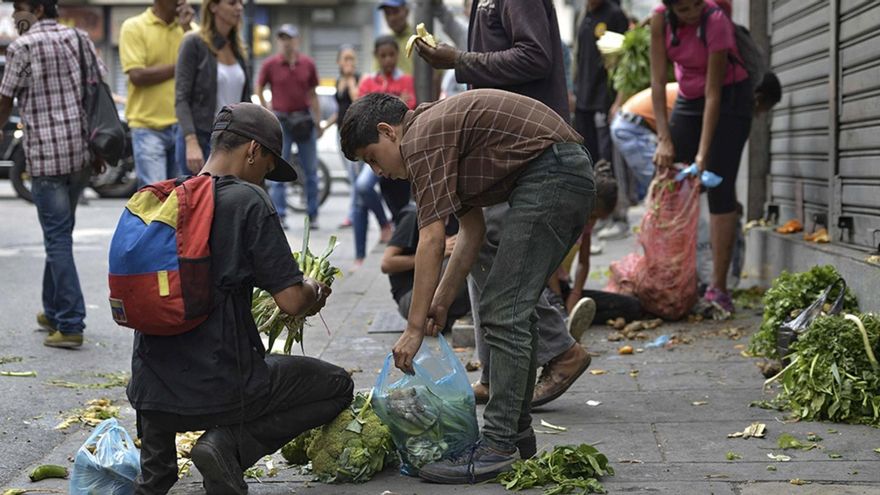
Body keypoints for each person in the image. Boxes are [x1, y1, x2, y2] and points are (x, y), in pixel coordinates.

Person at [341, 89, 595, 483]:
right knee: (511, 309)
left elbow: (432, 238)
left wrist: (413, 328)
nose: (377, 171)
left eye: (372, 157)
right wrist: (440, 300)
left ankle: (497, 445)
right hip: (561, 173)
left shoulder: (421, 138)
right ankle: (516, 434)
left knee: (502, 309)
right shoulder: (435, 137)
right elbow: (471, 231)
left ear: (388, 131)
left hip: (554, 175)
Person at [129, 103, 352, 495]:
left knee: (155, 481)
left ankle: (157, 473)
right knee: (337, 385)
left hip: (151, 393)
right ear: (252, 151)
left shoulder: (168, 197)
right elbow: (291, 302)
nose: (265, 179)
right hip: (222, 386)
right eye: (267, 167)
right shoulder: (247, 201)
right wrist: (314, 289)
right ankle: (227, 446)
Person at [420, 0, 592, 414]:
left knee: (501, 261)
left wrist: (458, 60)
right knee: (484, 245)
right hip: (504, 150)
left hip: (530, 148)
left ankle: (559, 352)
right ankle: (495, 373)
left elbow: (535, 56)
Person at [0, 0, 101, 349]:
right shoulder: (79, 39)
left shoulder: (22, 47)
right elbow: (97, 88)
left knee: (57, 237)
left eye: (20, 8)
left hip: (46, 158)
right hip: (81, 155)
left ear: (38, 9)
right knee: (60, 233)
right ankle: (53, 308)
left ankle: (71, 323)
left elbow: (5, 98)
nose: (15, 16)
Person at [650, 0, 754, 313]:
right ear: (669, 9)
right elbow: (657, 82)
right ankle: (674, 276)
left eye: (697, 4)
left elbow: (714, 94)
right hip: (688, 97)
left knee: (719, 184)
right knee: (669, 178)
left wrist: (702, 154)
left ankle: (718, 288)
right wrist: (664, 139)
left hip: (730, 99)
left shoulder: (716, 21)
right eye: (684, 9)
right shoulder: (659, 21)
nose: (693, 12)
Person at [612, 75, 780, 200]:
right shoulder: (718, 104)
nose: (757, 116)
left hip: (637, 123)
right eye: (761, 111)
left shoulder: (718, 98)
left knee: (668, 187)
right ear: (757, 100)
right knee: (661, 186)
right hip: (632, 126)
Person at [352, 35, 414, 270]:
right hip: (374, 147)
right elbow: (362, 116)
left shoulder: (407, 79)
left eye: (391, 54)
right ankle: (380, 230)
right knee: (361, 188)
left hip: (396, 147)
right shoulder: (368, 81)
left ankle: (396, 232)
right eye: (383, 55)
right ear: (377, 57)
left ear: (397, 55)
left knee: (400, 195)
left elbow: (407, 110)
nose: (387, 59)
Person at [120, 0, 194, 186]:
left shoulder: (191, 31)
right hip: (148, 127)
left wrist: (187, 29)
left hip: (183, 128)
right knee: (155, 197)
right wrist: (183, 66)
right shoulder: (134, 27)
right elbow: (137, 75)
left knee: (181, 199)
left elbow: (204, 69)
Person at [256, 24, 322, 228]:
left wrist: (318, 121)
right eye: (282, 38)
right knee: (276, 169)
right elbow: (259, 86)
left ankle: (312, 215)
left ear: (297, 40)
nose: (286, 42)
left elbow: (312, 94)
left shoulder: (307, 64)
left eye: (290, 38)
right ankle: (280, 215)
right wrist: (265, 110)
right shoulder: (270, 64)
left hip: (303, 120)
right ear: (278, 41)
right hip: (281, 121)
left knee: (311, 171)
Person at [174, 0, 251, 175]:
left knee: (229, 201)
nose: (239, 8)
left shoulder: (239, 49)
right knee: (197, 200)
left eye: (241, 3)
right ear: (213, 6)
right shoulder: (193, 42)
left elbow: (246, 101)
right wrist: (191, 142)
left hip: (232, 143)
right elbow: (181, 98)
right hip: (200, 139)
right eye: (232, 3)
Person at [574, 0, 629, 240]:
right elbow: (579, 58)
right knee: (589, 160)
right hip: (583, 101)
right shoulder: (583, 15)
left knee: (609, 159)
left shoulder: (615, 15)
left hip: (604, 101)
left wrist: (619, 100)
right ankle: (596, 214)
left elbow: (624, 63)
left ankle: (619, 217)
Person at [564, 170, 644, 326]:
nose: (592, 224)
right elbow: (547, 269)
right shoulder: (564, 220)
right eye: (592, 216)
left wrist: (575, 293)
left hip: (564, 290)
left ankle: (571, 319)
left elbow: (583, 262)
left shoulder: (585, 228)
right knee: (552, 315)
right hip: (546, 290)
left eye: (597, 220)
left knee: (633, 307)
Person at [381, 203, 470, 332]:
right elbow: (387, 263)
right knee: (455, 260)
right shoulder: (413, 216)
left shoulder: (456, 217)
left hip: (440, 295)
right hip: (411, 297)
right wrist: (437, 253)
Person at [323, 45, 361, 229]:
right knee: (351, 176)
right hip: (341, 133)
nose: (349, 62)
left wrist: (351, 79)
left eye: (352, 59)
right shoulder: (338, 81)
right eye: (345, 59)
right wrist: (324, 127)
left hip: (354, 133)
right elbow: (340, 111)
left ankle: (354, 215)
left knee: (356, 176)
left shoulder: (357, 79)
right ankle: (356, 211)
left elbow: (356, 101)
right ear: (338, 61)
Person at [377, 0, 414, 75]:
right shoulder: (383, 44)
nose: (392, 18)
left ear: (406, 11)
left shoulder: (420, 40)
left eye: (395, 12)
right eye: (387, 13)